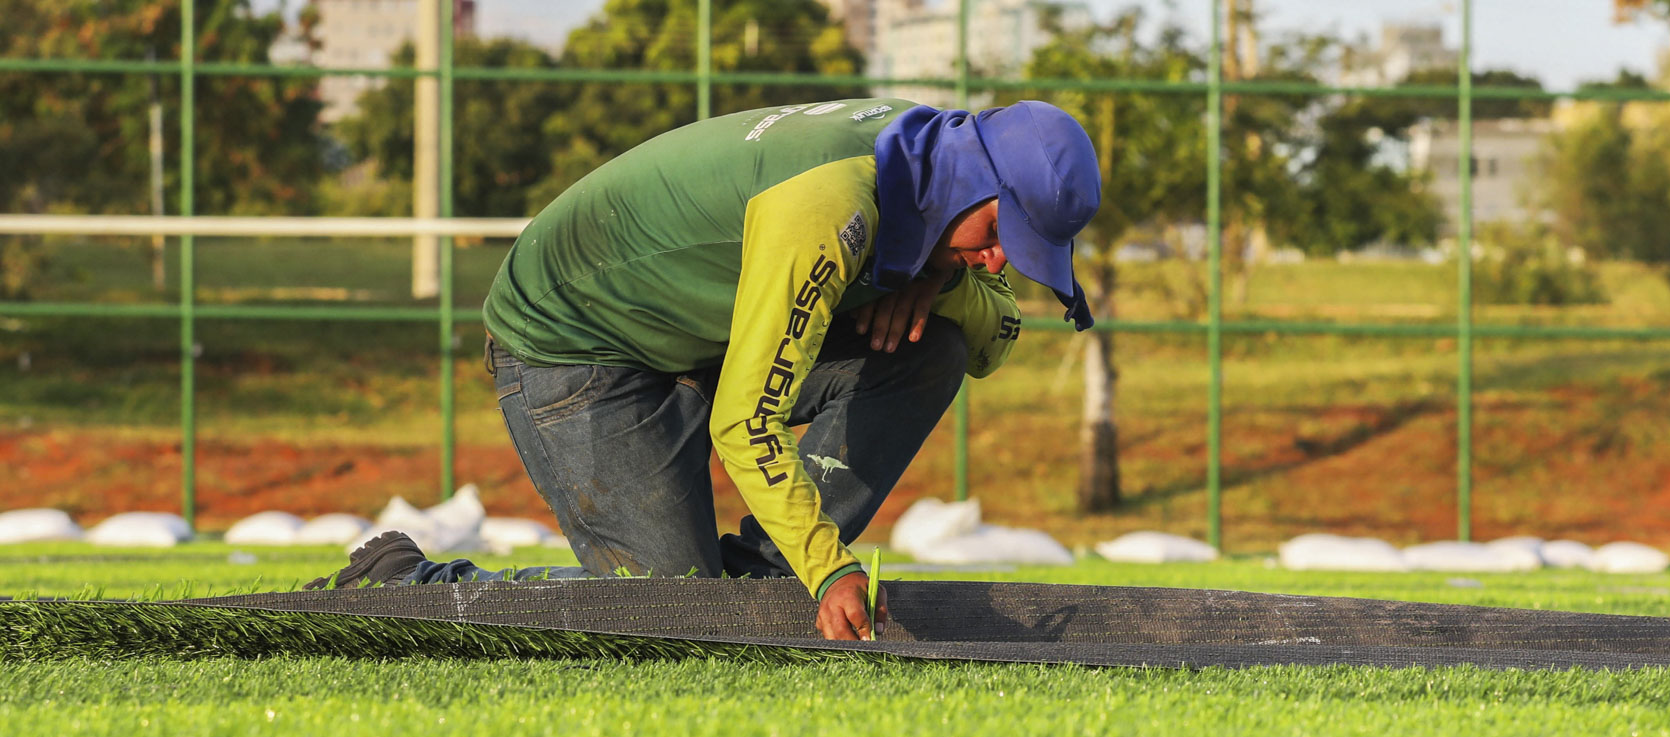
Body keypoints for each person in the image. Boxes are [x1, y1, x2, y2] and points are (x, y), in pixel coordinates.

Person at [308, 97, 1101, 640]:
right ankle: (409, 583)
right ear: (974, 179)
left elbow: (994, 341)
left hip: (695, 335)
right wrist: (828, 570)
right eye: (997, 234)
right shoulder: (829, 208)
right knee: (671, 614)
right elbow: (745, 422)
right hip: (576, 343)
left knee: (936, 348)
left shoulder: (931, 163)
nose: (999, 261)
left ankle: (756, 585)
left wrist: (943, 275)